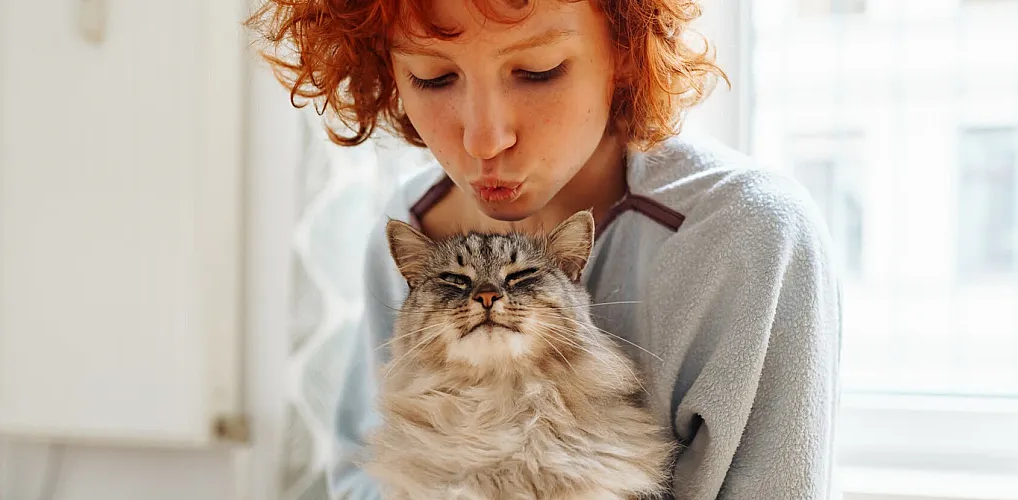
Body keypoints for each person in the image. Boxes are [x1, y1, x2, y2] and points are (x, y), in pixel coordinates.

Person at [249, 0, 841, 498]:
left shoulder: (751, 235)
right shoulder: (412, 219)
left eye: (537, 70)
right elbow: (361, 474)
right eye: (433, 77)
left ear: (626, 52)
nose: (485, 139)